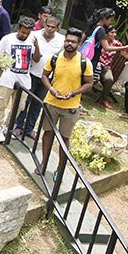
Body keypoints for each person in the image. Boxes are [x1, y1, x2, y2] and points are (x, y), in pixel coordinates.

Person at [35, 27, 93, 176]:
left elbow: (89, 83)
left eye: (73, 42)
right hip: (51, 104)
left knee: (64, 139)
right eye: (67, 40)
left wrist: (74, 93)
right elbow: (45, 76)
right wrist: (51, 89)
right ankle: (43, 163)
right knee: (47, 134)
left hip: (71, 108)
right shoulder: (55, 58)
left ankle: (60, 170)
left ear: (79, 44)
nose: (69, 44)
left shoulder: (84, 62)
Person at [16, 12, 64, 139]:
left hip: (47, 77)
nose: (50, 29)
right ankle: (18, 126)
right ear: (44, 24)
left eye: (53, 27)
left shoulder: (61, 40)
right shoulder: (34, 35)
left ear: (57, 28)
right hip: (30, 73)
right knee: (25, 101)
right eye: (48, 25)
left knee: (38, 103)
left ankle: (29, 129)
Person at [0, 16, 37, 140]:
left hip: (24, 80)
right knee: (1, 104)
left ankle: (7, 126)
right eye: (22, 32)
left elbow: (36, 59)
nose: (24, 35)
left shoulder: (32, 41)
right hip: (7, 78)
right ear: (18, 28)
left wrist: (37, 46)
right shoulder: (7, 39)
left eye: (27, 33)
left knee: (20, 107)